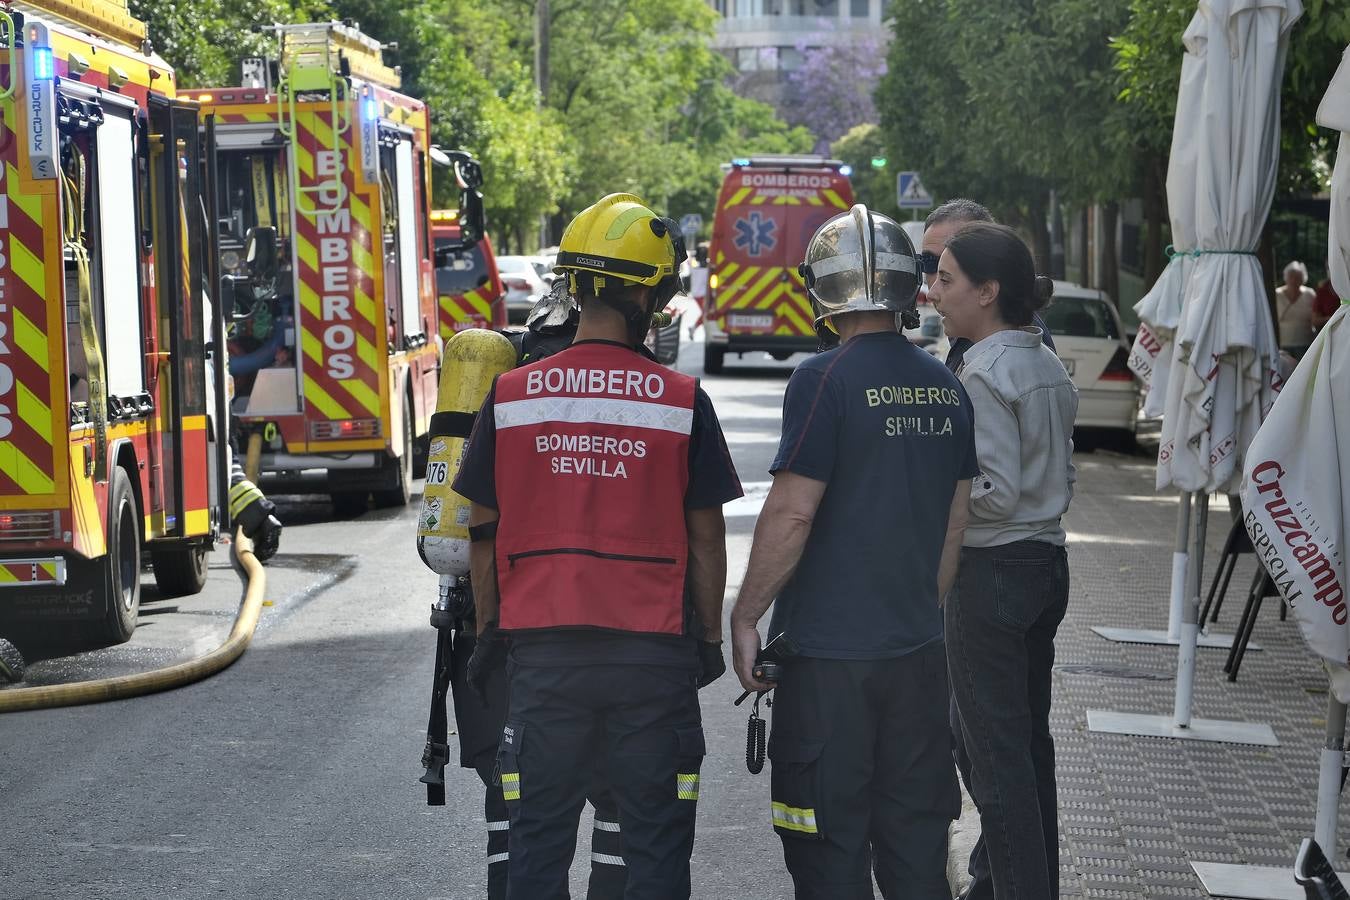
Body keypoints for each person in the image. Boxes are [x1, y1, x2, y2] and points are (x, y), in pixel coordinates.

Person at [453, 193, 743, 900]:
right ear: (649, 292)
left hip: (544, 664)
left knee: (537, 854)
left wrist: (491, 632)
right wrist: (706, 639)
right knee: (655, 855)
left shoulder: (513, 395)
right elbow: (706, 538)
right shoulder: (680, 403)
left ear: (576, 286)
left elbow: (482, 533)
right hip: (650, 666)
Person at [730, 204, 975, 899]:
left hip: (831, 667)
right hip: (919, 662)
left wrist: (747, 617)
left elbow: (792, 512)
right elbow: (955, 527)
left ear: (822, 290)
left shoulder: (822, 380)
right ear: (908, 289)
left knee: (827, 847)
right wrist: (914, 614)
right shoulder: (948, 387)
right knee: (915, 849)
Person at [928, 222, 1077, 900]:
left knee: (995, 761)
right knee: (1018, 747)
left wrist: (929, 499)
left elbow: (992, 489)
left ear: (988, 292)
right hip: (1044, 565)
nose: (933, 291)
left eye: (947, 279)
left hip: (992, 572)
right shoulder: (1043, 358)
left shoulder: (982, 370)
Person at [920, 199, 1055, 372]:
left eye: (948, 273)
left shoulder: (1019, 338)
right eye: (929, 262)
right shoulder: (970, 328)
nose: (933, 289)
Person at [1275, 260, 1316, 357]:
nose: (1294, 280)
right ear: (1286, 278)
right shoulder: (1277, 294)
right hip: (1282, 345)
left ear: (1303, 279)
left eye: (1297, 277)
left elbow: (1315, 316)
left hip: (1305, 344)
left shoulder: (1310, 294)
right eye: (1291, 277)